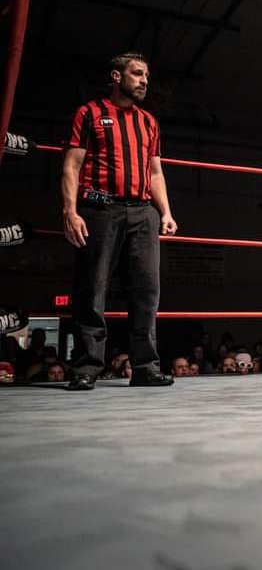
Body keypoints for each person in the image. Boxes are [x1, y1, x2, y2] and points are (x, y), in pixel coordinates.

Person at [61, 52, 177, 391]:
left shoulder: (149, 121)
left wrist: (166, 212)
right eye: (137, 74)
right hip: (100, 208)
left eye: (146, 76)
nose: (144, 81)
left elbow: (155, 172)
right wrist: (70, 211)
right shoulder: (89, 113)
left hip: (143, 212)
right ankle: (86, 367)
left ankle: (145, 367)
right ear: (116, 76)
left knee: (146, 291)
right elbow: (71, 165)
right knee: (92, 288)